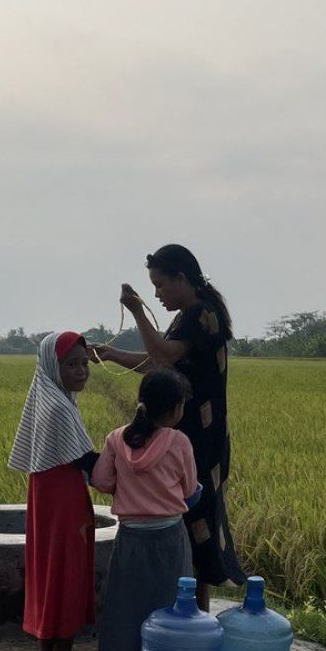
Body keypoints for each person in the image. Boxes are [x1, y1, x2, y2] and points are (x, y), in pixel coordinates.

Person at [90, 243, 245, 611]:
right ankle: (194, 612)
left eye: (160, 285)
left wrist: (136, 311)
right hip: (198, 433)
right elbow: (157, 362)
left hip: (198, 436)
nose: (157, 294)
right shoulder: (194, 314)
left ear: (181, 278)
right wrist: (111, 354)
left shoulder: (198, 314)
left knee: (194, 520)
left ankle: (194, 613)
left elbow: (161, 357)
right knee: (193, 520)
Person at [90, 368, 201, 651]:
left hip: (131, 536)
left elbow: (100, 480)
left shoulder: (116, 438)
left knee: (127, 604)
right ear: (175, 408)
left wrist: (126, 486)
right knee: (169, 602)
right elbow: (190, 490)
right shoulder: (179, 441)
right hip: (169, 535)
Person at [8, 331, 103, 651]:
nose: (82, 371)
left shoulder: (46, 397)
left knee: (49, 576)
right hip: (64, 504)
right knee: (66, 577)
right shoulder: (61, 409)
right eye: (71, 364)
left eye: (84, 363)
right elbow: (89, 463)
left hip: (46, 501)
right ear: (53, 365)